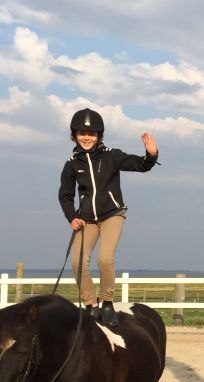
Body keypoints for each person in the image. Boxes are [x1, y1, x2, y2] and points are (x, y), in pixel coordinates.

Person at [58, 108, 159, 326]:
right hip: (86, 219)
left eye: (91, 134)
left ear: (99, 136)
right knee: (77, 262)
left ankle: (107, 303)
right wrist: (71, 217)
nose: (86, 137)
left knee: (104, 258)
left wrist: (151, 156)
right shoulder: (71, 164)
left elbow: (140, 165)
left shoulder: (111, 155)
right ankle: (91, 305)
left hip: (113, 214)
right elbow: (65, 195)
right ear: (74, 135)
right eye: (82, 133)